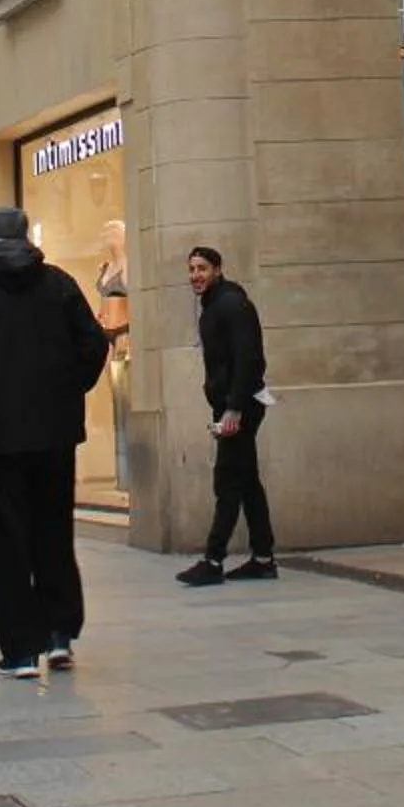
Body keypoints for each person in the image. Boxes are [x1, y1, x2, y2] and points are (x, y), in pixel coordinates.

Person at [0, 206, 109, 678]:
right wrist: (69, 391)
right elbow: (94, 344)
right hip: (54, 431)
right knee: (53, 532)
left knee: (5, 541)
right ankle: (58, 634)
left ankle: (19, 649)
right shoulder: (58, 284)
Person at [177, 246, 276, 587]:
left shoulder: (231, 305)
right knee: (247, 482)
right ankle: (263, 558)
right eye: (191, 269)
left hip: (241, 405)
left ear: (218, 270)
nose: (195, 275)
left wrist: (233, 408)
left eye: (202, 268)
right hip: (233, 403)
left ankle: (213, 559)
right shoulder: (215, 306)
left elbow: (248, 358)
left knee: (228, 480)